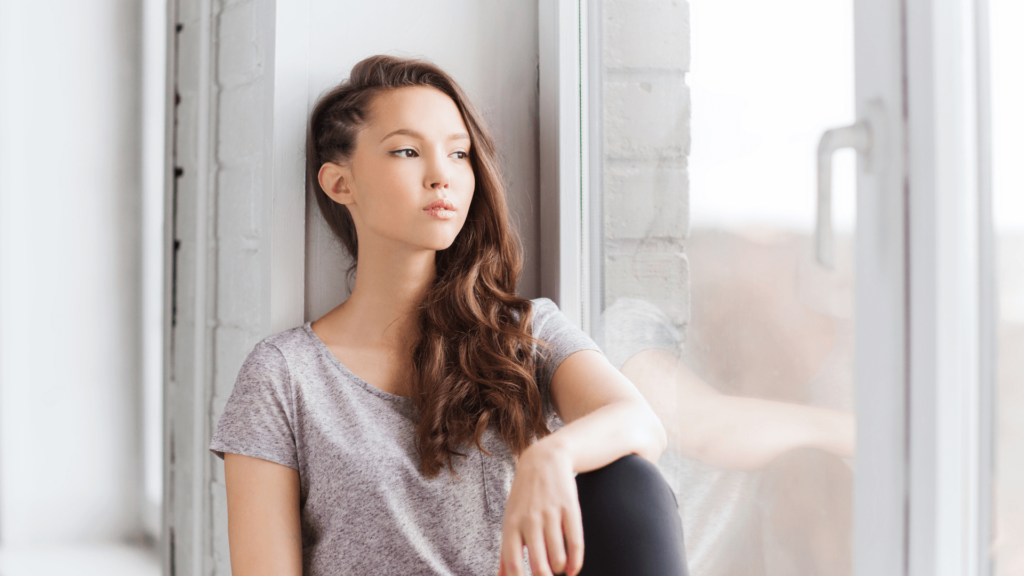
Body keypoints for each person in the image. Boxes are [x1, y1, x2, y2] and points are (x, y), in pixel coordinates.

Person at [208, 55, 688, 576]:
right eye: (408, 151)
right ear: (338, 183)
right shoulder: (283, 376)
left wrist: (551, 457)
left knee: (632, 480)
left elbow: (640, 422)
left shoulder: (526, 332)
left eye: (459, 154)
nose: (442, 176)